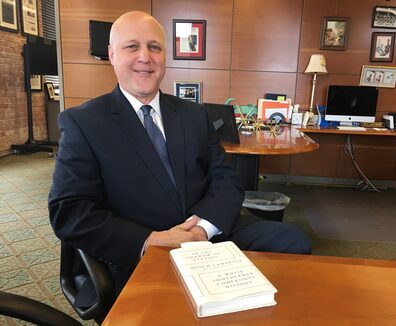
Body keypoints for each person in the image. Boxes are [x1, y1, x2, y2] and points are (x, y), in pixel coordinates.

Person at [49, 11, 311, 305]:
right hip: (140, 247)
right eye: (131, 46)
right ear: (111, 54)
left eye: (154, 47)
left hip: (206, 234)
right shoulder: (82, 122)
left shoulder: (195, 115)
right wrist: (149, 240)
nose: (145, 57)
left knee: (293, 241)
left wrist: (201, 230)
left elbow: (226, 180)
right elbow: (68, 211)